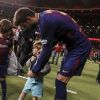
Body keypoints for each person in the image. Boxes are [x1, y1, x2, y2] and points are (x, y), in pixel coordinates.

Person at [13, 7, 91, 100]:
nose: (25, 28)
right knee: (60, 80)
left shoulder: (44, 23)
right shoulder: (45, 16)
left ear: (28, 19)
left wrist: (34, 70)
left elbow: (47, 52)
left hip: (79, 47)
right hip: (72, 47)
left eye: (24, 25)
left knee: (61, 81)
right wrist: (44, 49)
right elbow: (55, 38)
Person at [0, 19, 13, 100]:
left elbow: (10, 51)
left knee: (2, 79)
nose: (9, 33)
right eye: (8, 31)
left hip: (3, 64)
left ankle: (4, 95)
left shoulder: (9, 40)